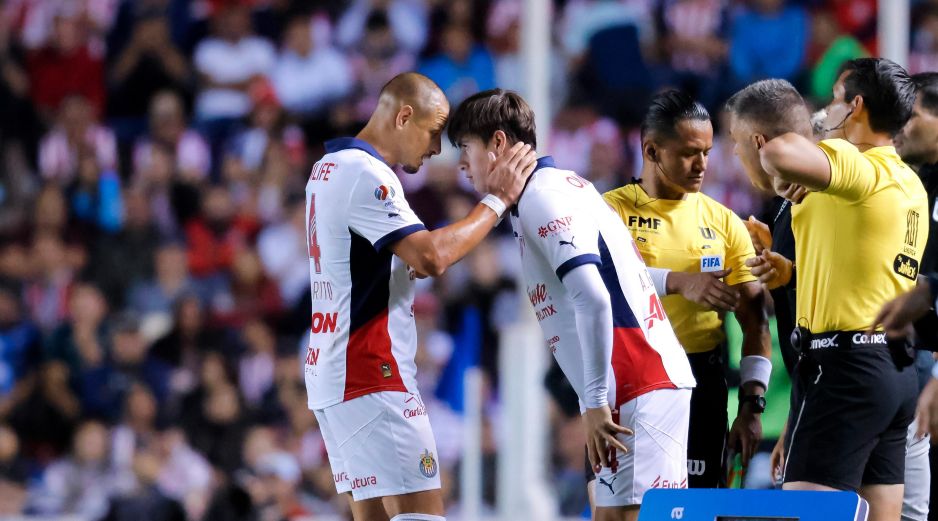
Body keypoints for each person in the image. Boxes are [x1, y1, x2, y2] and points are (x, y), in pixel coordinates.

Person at [447, 87, 695, 521]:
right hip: (634, 381)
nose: (462, 164)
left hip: (634, 381)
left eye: (466, 148)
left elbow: (595, 297)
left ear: (499, 144)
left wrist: (595, 403)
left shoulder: (544, 197)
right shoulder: (558, 188)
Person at [304, 72, 536, 521]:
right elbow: (431, 258)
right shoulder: (366, 173)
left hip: (332, 370)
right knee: (424, 513)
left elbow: (351, 255)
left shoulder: (326, 168)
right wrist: (498, 201)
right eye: (433, 133)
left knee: (374, 517)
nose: (435, 149)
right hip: (370, 370)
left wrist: (395, 261)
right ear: (404, 116)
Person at [727, 77, 933, 521]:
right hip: (888, 370)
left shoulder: (845, 161)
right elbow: (855, 273)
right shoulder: (906, 180)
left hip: (844, 370)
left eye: (835, 103)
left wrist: (799, 154)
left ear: (855, 107)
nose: (825, 113)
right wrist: (789, 273)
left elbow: (778, 153)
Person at [603, 90, 772, 488]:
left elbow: (756, 321)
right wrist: (678, 282)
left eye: (708, 152)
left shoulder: (724, 222)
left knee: (695, 506)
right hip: (630, 378)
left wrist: (751, 406)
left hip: (702, 382)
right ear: (651, 150)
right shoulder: (611, 211)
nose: (701, 165)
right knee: (625, 507)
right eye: (688, 153)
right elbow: (600, 284)